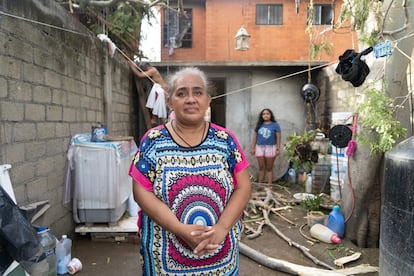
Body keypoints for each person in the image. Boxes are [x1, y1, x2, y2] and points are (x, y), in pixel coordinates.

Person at [129, 67, 251, 275]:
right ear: (169, 102)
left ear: (208, 100)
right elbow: (141, 191)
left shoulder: (225, 140)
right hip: (165, 256)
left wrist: (221, 229)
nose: (190, 99)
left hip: (220, 252)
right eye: (181, 93)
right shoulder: (153, 141)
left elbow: (244, 186)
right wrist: (179, 229)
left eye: (198, 92)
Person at [128, 60, 168, 126]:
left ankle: (155, 120)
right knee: (158, 107)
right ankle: (156, 120)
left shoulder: (152, 70)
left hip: (160, 90)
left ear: (147, 66)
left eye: (144, 69)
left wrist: (132, 66)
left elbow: (140, 75)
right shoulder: (152, 70)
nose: (144, 70)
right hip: (161, 90)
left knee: (156, 106)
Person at [250, 108, 282, 185]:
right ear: (262, 116)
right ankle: (260, 185)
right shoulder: (259, 125)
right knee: (261, 167)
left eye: (267, 114)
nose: (266, 115)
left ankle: (269, 186)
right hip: (259, 147)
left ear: (271, 115)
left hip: (270, 148)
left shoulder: (275, 125)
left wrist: (278, 148)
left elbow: (278, 137)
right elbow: (255, 137)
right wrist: (253, 147)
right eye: (264, 114)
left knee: (269, 168)